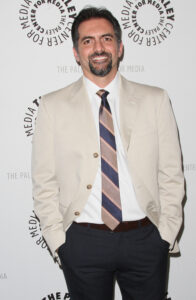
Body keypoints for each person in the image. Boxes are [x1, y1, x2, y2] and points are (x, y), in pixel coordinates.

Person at [32, 6, 185, 300]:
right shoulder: (53, 106)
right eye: (88, 41)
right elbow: (44, 181)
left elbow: (171, 174)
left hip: (146, 238)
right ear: (76, 52)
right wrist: (59, 240)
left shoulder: (155, 100)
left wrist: (165, 234)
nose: (98, 48)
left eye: (106, 38)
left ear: (119, 46)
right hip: (83, 241)